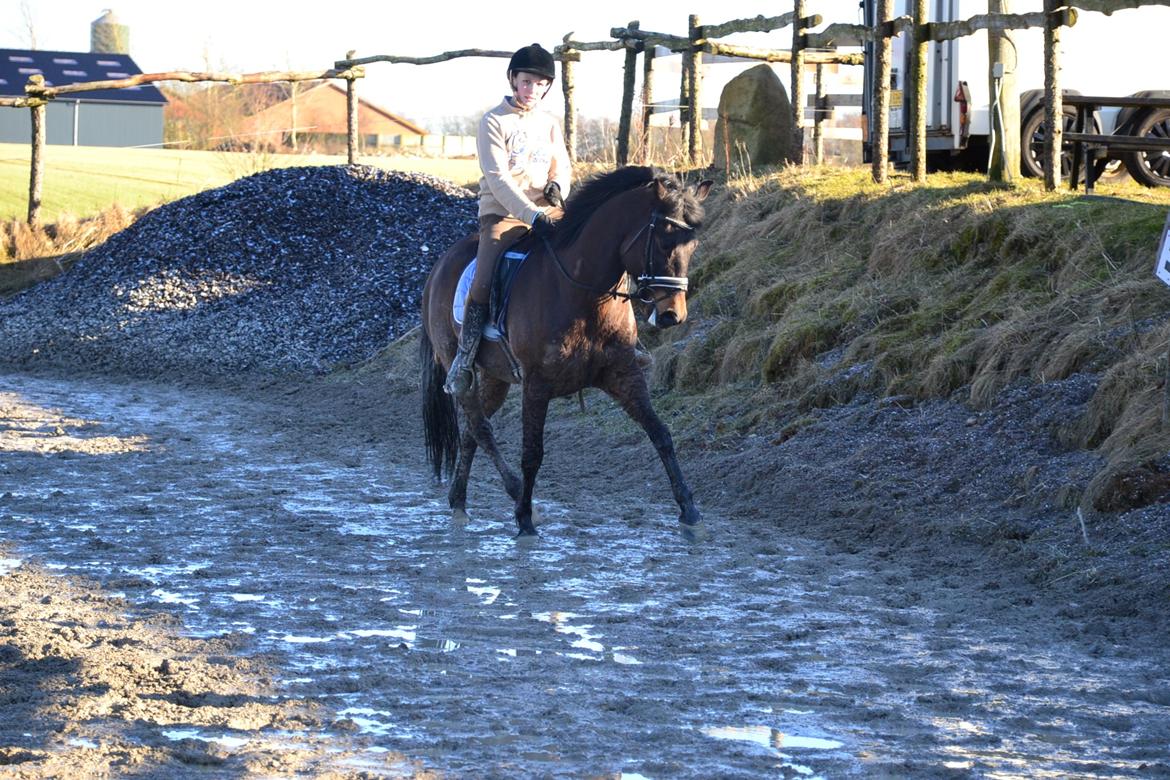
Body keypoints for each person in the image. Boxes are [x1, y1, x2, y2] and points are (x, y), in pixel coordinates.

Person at [444, 42, 571, 398]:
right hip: (502, 215)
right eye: (527, 82)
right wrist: (531, 214)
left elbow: (563, 165)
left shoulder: (549, 123)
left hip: (547, 211)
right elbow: (497, 179)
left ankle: (621, 340)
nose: (533, 90)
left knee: (591, 250)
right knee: (483, 279)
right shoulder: (493, 121)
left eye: (541, 84)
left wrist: (558, 187)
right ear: (513, 80)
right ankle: (465, 359)